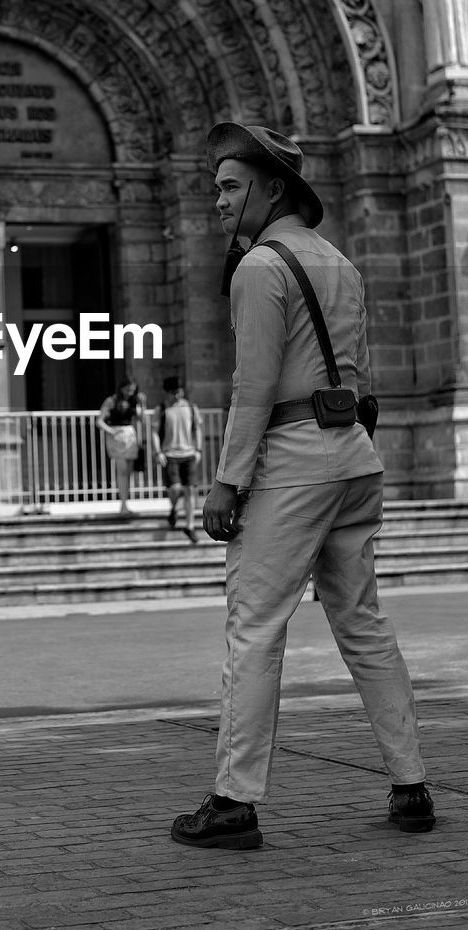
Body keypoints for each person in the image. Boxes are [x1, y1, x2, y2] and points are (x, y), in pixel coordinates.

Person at [171, 121, 434, 851]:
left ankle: (232, 800)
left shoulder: (260, 267)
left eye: (229, 186)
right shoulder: (340, 264)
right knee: (363, 623)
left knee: (254, 628)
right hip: (352, 457)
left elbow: (253, 385)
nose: (217, 202)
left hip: (290, 463)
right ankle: (410, 784)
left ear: (271, 187)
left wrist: (226, 481)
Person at [152, 375, 203, 542]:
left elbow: (198, 429)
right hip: (170, 454)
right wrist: (158, 452)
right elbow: (154, 432)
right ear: (167, 393)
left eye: (179, 392)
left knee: (190, 490)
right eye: (173, 392)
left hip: (188, 453)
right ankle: (173, 509)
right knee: (175, 489)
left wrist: (198, 449)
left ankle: (189, 526)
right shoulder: (161, 409)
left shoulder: (190, 407)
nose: (177, 395)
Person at [96, 379, 145, 516]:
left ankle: (125, 503)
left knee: (128, 472)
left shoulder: (133, 402)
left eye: (133, 390)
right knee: (122, 471)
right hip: (117, 437)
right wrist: (112, 432)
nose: (130, 393)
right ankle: (123, 505)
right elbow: (99, 421)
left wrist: (142, 403)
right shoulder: (112, 400)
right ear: (122, 388)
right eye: (129, 390)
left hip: (130, 436)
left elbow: (141, 419)